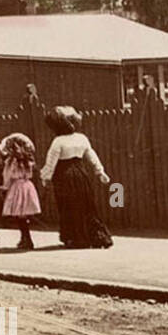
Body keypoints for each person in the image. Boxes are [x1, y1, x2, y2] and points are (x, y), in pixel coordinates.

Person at [41, 106, 112, 249]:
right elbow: (92, 156)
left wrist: (45, 177)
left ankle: (75, 238)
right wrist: (100, 172)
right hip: (81, 174)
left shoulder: (58, 141)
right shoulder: (82, 138)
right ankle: (97, 237)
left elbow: (51, 163)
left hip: (64, 176)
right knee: (87, 206)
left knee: (68, 207)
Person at [0, 132, 41, 249]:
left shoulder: (11, 162)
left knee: (19, 215)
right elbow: (32, 174)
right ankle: (25, 238)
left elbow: (8, 176)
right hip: (27, 186)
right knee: (24, 214)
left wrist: (5, 187)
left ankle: (26, 238)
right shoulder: (28, 161)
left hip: (17, 187)